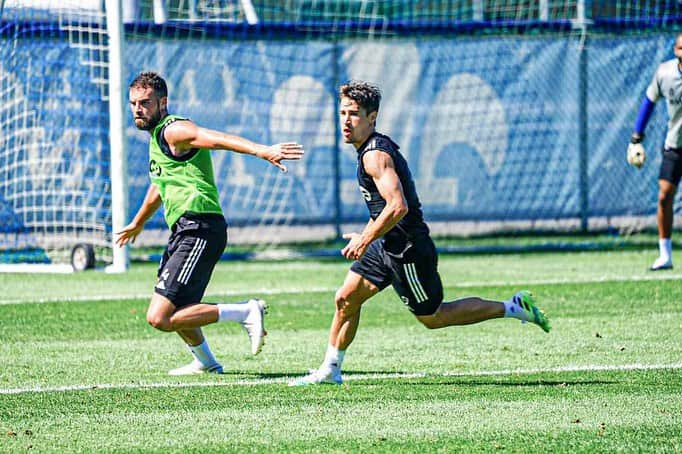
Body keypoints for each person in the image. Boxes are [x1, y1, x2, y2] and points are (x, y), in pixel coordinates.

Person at [289, 80, 550, 386]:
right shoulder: (366, 151)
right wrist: (371, 238)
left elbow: (397, 207)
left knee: (433, 317)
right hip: (386, 243)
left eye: (354, 114)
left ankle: (513, 307)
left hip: (407, 250)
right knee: (346, 298)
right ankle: (330, 369)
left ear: (372, 117)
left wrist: (364, 238)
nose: (346, 121)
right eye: (343, 112)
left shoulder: (375, 155)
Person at [116, 72, 304, 375]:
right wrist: (138, 223)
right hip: (186, 230)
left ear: (162, 102)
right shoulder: (157, 138)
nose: (138, 109)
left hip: (200, 228)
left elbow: (218, 139)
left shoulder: (175, 130)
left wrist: (262, 150)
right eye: (133, 103)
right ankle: (206, 362)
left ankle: (245, 311)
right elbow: (159, 186)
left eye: (145, 103)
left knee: (160, 317)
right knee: (177, 306)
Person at [628, 33, 682, 271]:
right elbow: (649, 102)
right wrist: (636, 137)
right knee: (664, 196)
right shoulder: (665, 73)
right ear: (675, 49)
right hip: (675, 144)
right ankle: (665, 254)